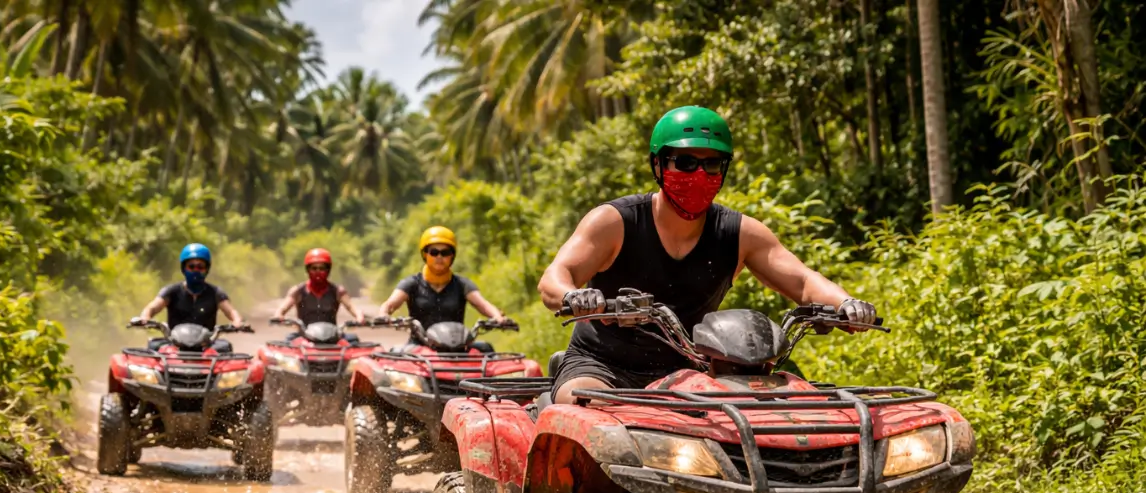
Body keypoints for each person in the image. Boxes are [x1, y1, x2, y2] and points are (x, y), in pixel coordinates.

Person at [537, 106, 877, 403]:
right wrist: (576, 297)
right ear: (658, 165)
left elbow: (802, 280)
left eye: (711, 164)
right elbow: (555, 278)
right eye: (684, 163)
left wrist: (846, 304)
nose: (698, 175)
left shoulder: (738, 232)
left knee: (778, 408)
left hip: (688, 371)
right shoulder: (615, 222)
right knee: (588, 408)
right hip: (602, 367)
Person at [378, 226, 508, 352]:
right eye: (434, 252)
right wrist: (384, 315)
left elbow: (483, 304)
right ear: (425, 255)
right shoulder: (412, 283)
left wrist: (497, 316)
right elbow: (390, 304)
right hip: (420, 345)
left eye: (445, 252)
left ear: (452, 256)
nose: (439, 257)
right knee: (396, 356)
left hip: (458, 348)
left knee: (486, 350)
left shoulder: (462, 284)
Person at [135, 243, 245, 352]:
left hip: (206, 345)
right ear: (184, 268)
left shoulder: (215, 292)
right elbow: (152, 307)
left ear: (207, 269)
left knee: (225, 348)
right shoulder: (172, 291)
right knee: (153, 348)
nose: (196, 270)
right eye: (191, 266)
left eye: (200, 267)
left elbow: (231, 311)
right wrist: (145, 317)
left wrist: (237, 322)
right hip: (174, 343)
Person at [272, 248, 365, 342]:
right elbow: (282, 308)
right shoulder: (298, 291)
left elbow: (351, 307)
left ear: (328, 270)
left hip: (332, 336)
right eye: (314, 268)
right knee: (287, 343)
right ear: (308, 270)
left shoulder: (338, 291)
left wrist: (359, 316)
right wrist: (279, 315)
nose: (318, 272)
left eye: (322, 268)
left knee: (354, 341)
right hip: (304, 335)